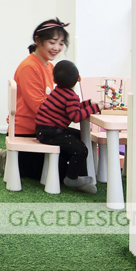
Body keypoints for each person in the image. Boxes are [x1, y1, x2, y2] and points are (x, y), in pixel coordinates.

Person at [9, 18, 69, 181]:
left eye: (61, 43)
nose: (57, 48)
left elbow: (56, 98)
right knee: (63, 168)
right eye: (52, 42)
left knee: (78, 142)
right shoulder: (29, 67)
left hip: (43, 128)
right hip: (29, 131)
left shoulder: (50, 67)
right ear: (38, 40)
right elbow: (39, 107)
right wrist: (67, 110)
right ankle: (11, 160)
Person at [33, 59, 100, 194]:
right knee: (81, 150)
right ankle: (72, 178)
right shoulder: (71, 96)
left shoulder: (57, 91)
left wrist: (88, 103)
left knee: (80, 136)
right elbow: (75, 116)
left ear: (54, 79)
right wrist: (95, 108)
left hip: (43, 130)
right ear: (77, 79)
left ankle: (80, 173)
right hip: (52, 132)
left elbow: (72, 108)